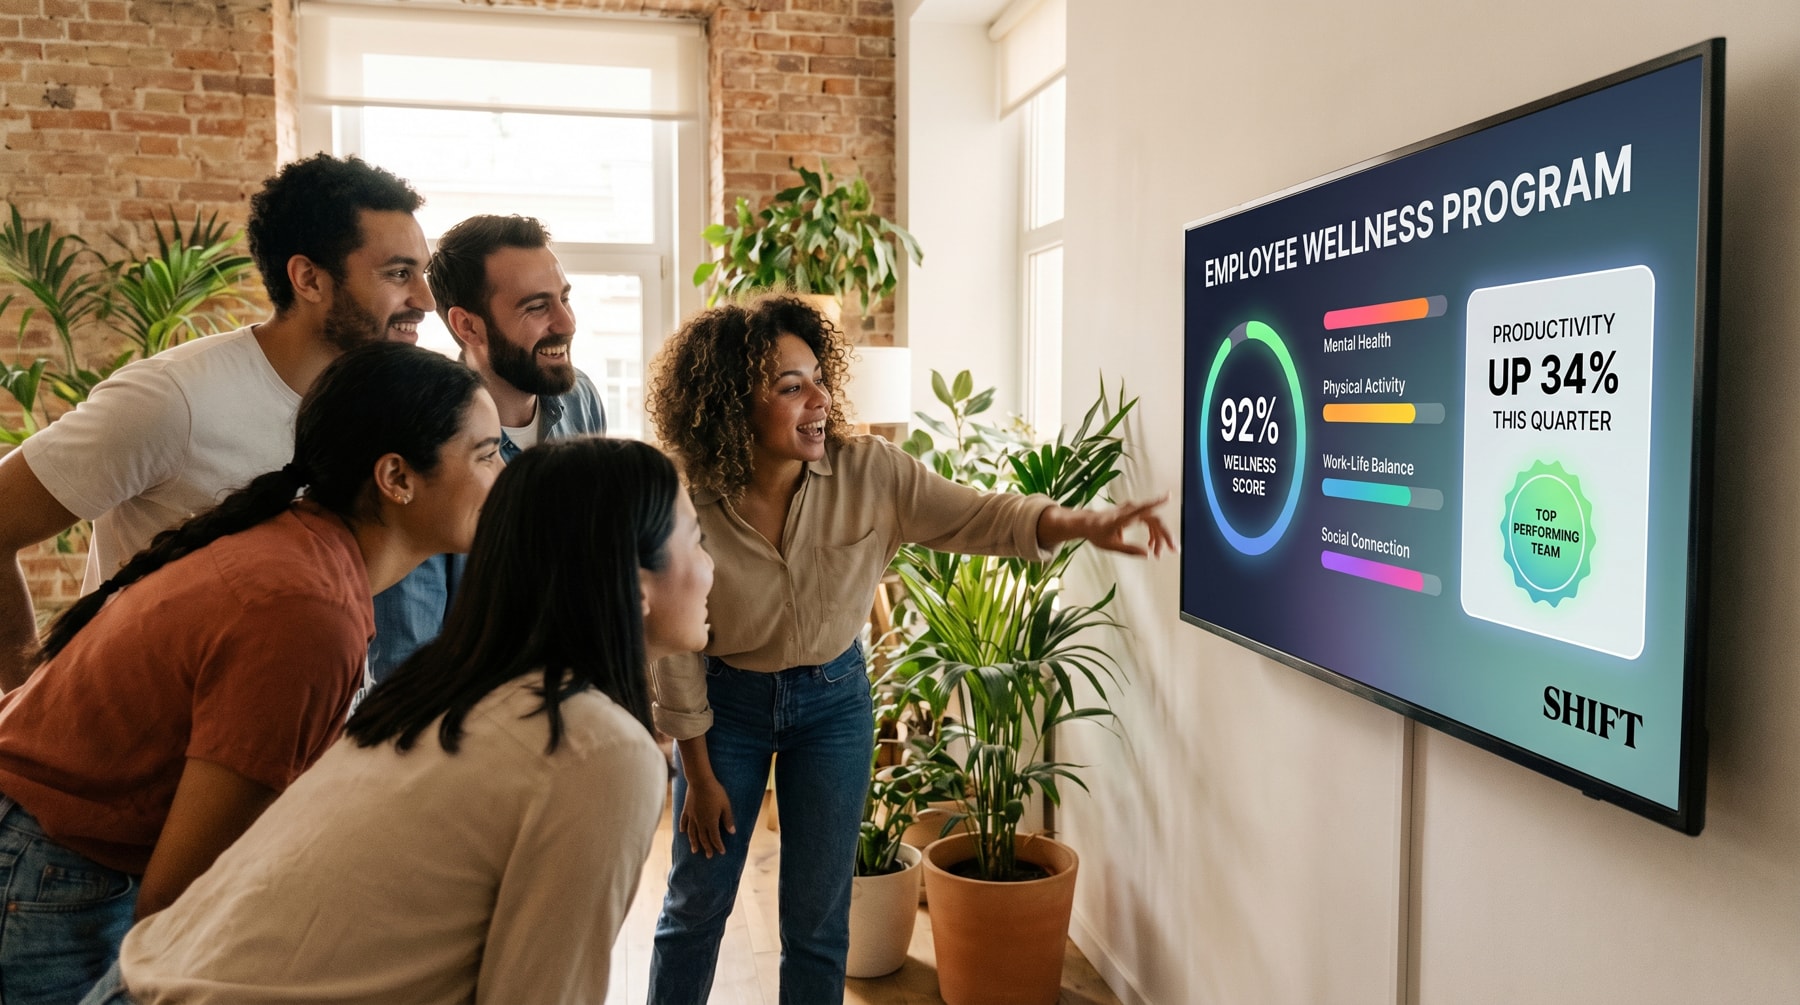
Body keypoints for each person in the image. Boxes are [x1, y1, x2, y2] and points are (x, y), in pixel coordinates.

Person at [643, 295, 1173, 1004]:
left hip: (834, 706)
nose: (819, 401)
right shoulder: (688, 497)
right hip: (725, 709)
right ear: (731, 403)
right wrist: (697, 772)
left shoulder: (872, 473)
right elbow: (675, 651)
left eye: (818, 379)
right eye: (789, 386)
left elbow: (978, 513)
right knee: (696, 904)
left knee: (820, 919)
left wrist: (1080, 521)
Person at [81, 438, 706, 1005]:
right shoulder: (598, 747)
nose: (710, 567)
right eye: (695, 538)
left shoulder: (449, 685)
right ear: (633, 578)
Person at [0, 343, 501, 1005]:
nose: (504, 479)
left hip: (68, 856)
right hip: (53, 871)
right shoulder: (305, 609)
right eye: (488, 454)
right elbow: (181, 901)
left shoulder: (308, 554)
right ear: (396, 477)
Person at [0, 153, 433, 690]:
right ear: (309, 279)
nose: (426, 301)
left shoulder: (380, 406)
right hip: (161, 756)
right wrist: (28, 698)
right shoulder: (172, 399)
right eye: (398, 274)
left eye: (423, 274)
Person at [368, 213, 606, 682]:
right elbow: (406, 666)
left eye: (564, 299)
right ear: (467, 326)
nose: (565, 323)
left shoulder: (581, 400)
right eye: (537, 307)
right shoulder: (426, 437)